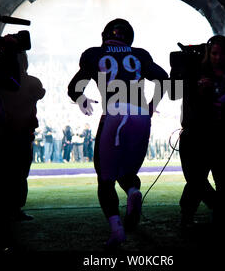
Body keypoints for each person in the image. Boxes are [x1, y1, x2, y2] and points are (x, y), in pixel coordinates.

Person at [67, 18, 168, 247]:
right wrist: (152, 105)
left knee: (105, 178)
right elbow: (166, 80)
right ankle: (133, 190)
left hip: (114, 112)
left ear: (104, 35)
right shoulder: (140, 55)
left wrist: (81, 98)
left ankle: (116, 229)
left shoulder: (94, 54)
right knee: (127, 170)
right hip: (141, 115)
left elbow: (74, 88)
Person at [171, 35, 225, 235]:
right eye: (214, 53)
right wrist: (198, 90)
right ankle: (187, 217)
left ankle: (224, 221)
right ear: (208, 54)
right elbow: (177, 93)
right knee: (196, 182)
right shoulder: (196, 72)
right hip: (198, 136)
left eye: (222, 53)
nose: (218, 58)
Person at [0, 51, 45, 221]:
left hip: (3, 132)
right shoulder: (32, 81)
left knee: (3, 172)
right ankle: (15, 208)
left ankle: (0, 207)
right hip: (23, 133)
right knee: (20, 173)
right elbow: (40, 93)